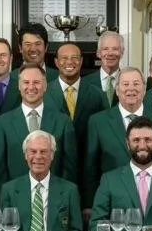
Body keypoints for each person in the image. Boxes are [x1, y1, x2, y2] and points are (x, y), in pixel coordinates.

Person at [83, 67, 152, 220]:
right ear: (117, 90)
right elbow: (90, 168)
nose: (131, 89)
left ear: (144, 89)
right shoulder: (98, 121)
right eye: (125, 84)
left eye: (136, 84)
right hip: (113, 203)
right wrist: (89, 204)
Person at [0, 63, 77, 206]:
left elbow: (69, 168)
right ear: (19, 86)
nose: (31, 87)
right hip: (14, 203)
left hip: (54, 203)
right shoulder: (1, 123)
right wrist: (2, 204)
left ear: (45, 86)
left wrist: (64, 201)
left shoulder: (63, 121)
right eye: (26, 82)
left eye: (36, 82)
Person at [0, 130, 83, 231]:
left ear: (52, 155)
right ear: (26, 155)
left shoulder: (69, 190)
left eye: (43, 151)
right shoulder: (9, 190)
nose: (38, 156)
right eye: (33, 151)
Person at [45, 43, 107, 196]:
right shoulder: (44, 94)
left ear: (81, 61)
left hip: (89, 174)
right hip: (54, 171)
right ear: (56, 62)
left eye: (74, 58)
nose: (69, 62)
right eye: (64, 58)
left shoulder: (97, 95)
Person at [81, 30, 124, 107]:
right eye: (105, 49)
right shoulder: (84, 83)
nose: (110, 53)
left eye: (115, 49)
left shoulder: (130, 82)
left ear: (122, 53)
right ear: (98, 53)